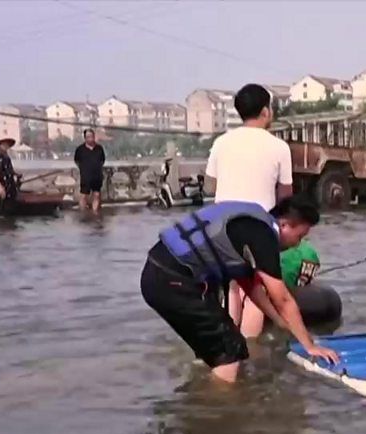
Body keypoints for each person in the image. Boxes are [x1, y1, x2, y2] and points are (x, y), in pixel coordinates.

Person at [140, 196, 339, 383]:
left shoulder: (251, 226)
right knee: (230, 350)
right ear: (285, 224)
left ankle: (201, 398)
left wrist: (280, 323)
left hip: (158, 275)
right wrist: (310, 346)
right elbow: (283, 299)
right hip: (173, 280)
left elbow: (251, 287)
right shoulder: (263, 235)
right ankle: (222, 412)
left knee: (220, 346)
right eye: (300, 236)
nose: (298, 244)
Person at [206, 84, 294, 339]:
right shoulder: (279, 147)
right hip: (258, 227)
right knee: (258, 289)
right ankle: (251, 354)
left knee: (233, 287)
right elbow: (286, 195)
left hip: (221, 226)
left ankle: (230, 349)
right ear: (266, 111)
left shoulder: (221, 142)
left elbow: (211, 184)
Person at [74, 129, 106, 213]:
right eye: (88, 137)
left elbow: (102, 160)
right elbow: (76, 161)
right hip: (85, 176)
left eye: (92, 137)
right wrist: (83, 169)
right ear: (85, 138)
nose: (90, 139)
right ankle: (83, 212)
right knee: (83, 196)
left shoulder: (99, 148)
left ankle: (94, 213)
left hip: (97, 176)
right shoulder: (80, 149)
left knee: (96, 195)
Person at [0, 136, 19, 215]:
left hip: (10, 187)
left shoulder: (6, 157)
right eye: (4, 144)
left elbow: (8, 170)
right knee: (2, 210)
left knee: (10, 209)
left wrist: (15, 174)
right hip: (1, 187)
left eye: (7, 144)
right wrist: (0, 187)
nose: (6, 146)